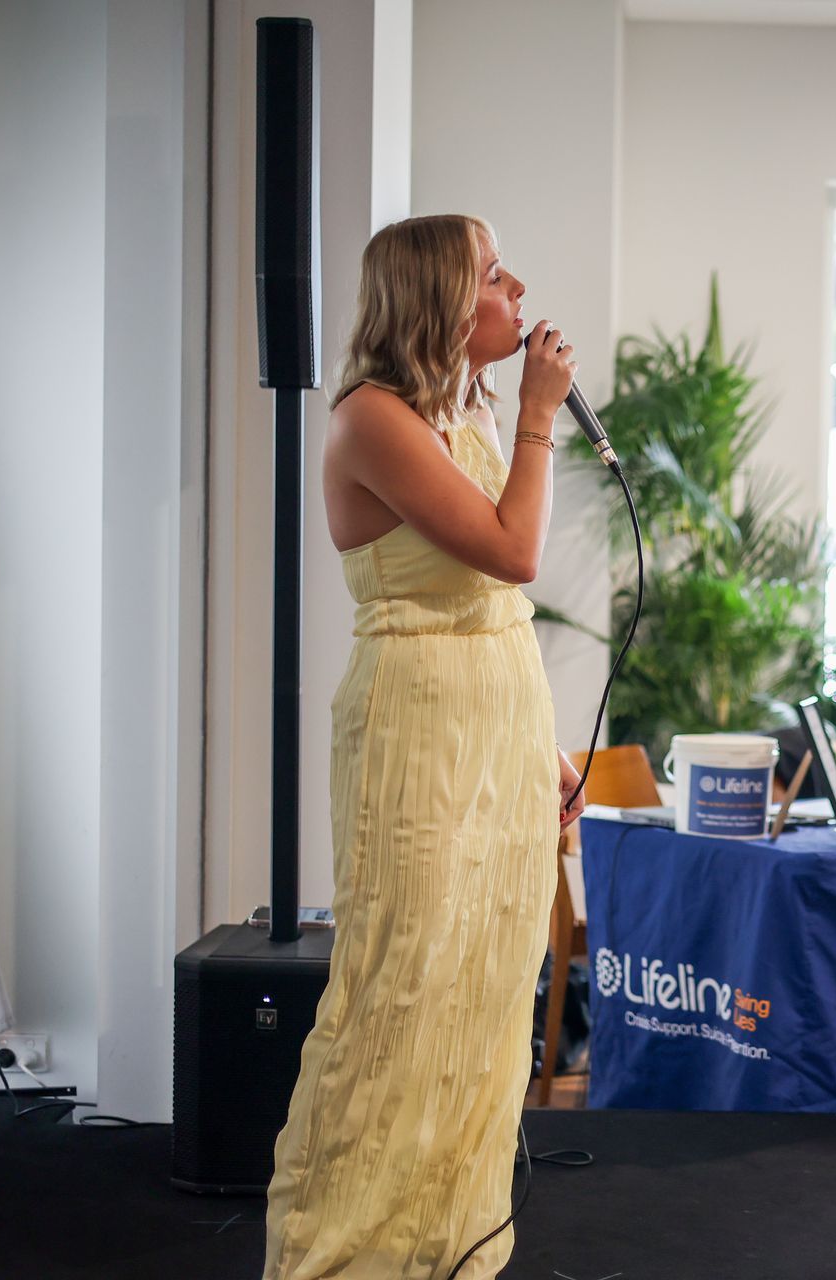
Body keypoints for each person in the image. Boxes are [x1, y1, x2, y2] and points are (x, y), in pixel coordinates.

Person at [263, 214, 588, 1279]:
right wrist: (542, 414)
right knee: (401, 992)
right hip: (417, 734)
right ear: (441, 300)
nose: (517, 289)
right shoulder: (372, 417)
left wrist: (539, 752)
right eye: (494, 275)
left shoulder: (463, 412)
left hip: (494, 729)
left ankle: (448, 1248)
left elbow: (495, 605)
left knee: (485, 993)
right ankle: (345, 1256)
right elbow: (513, 549)